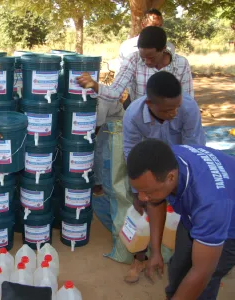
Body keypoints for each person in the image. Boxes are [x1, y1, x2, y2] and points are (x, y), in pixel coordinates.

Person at [84, 26, 190, 197]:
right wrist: (95, 85)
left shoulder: (181, 64)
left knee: (170, 170)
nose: (146, 62)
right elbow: (115, 91)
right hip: (141, 124)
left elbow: (187, 100)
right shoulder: (134, 60)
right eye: (143, 57)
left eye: (151, 57)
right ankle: (140, 200)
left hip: (171, 124)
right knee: (140, 168)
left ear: (163, 50)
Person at [122, 71, 205, 283]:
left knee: (191, 212)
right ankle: (142, 256)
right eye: (168, 110)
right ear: (150, 103)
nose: (175, 113)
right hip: (153, 164)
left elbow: (194, 153)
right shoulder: (133, 115)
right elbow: (132, 156)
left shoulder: (188, 108)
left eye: (177, 107)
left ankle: (197, 259)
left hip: (183, 165)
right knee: (145, 204)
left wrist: (181, 188)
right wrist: (138, 192)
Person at [127, 139, 235, 300]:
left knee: (204, 284)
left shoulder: (210, 205)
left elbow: (201, 272)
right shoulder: (167, 160)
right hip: (197, 212)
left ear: (171, 178)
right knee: (178, 269)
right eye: (139, 190)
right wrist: (156, 251)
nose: (142, 198)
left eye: (147, 192)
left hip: (228, 228)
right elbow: (155, 201)